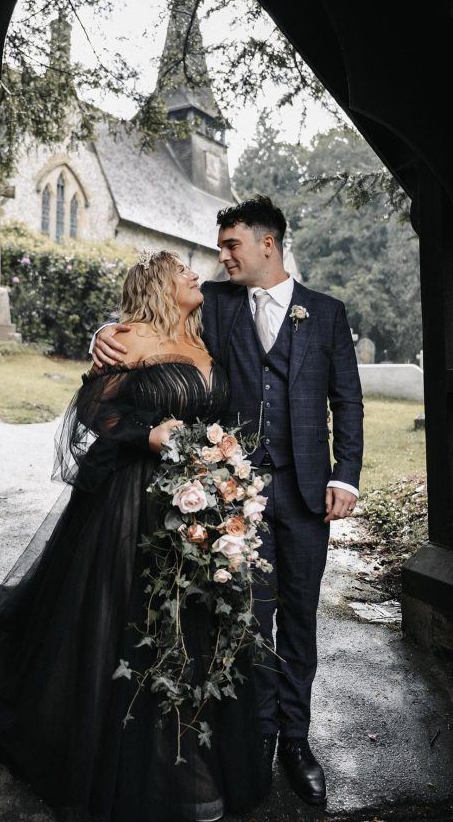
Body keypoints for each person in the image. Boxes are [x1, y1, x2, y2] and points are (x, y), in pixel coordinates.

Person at [0, 250, 267, 822]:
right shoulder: (129, 337)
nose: (198, 274)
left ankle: (189, 743)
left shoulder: (205, 330)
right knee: (132, 619)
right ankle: (143, 754)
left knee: (195, 618)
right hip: (133, 502)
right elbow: (92, 409)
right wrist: (148, 434)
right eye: (184, 271)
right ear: (157, 284)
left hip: (201, 501)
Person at [93, 196, 364, 808]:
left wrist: (345, 475)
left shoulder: (325, 313)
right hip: (235, 497)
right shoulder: (215, 303)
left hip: (305, 497)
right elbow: (149, 317)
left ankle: (296, 739)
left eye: (231, 246)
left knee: (299, 619)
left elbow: (347, 400)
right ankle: (257, 741)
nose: (221, 258)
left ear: (267, 244)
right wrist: (105, 333)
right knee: (246, 625)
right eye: (219, 249)